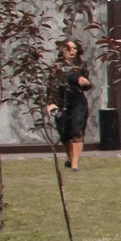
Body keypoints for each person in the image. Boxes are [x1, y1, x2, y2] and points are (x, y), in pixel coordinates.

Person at [46, 36, 93, 170]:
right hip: (60, 102)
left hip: (78, 102)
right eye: (69, 48)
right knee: (64, 131)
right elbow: (50, 86)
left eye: (75, 48)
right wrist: (50, 103)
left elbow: (87, 85)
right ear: (62, 50)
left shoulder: (81, 66)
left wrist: (86, 83)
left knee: (77, 130)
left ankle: (75, 164)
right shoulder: (56, 67)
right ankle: (70, 157)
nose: (72, 51)